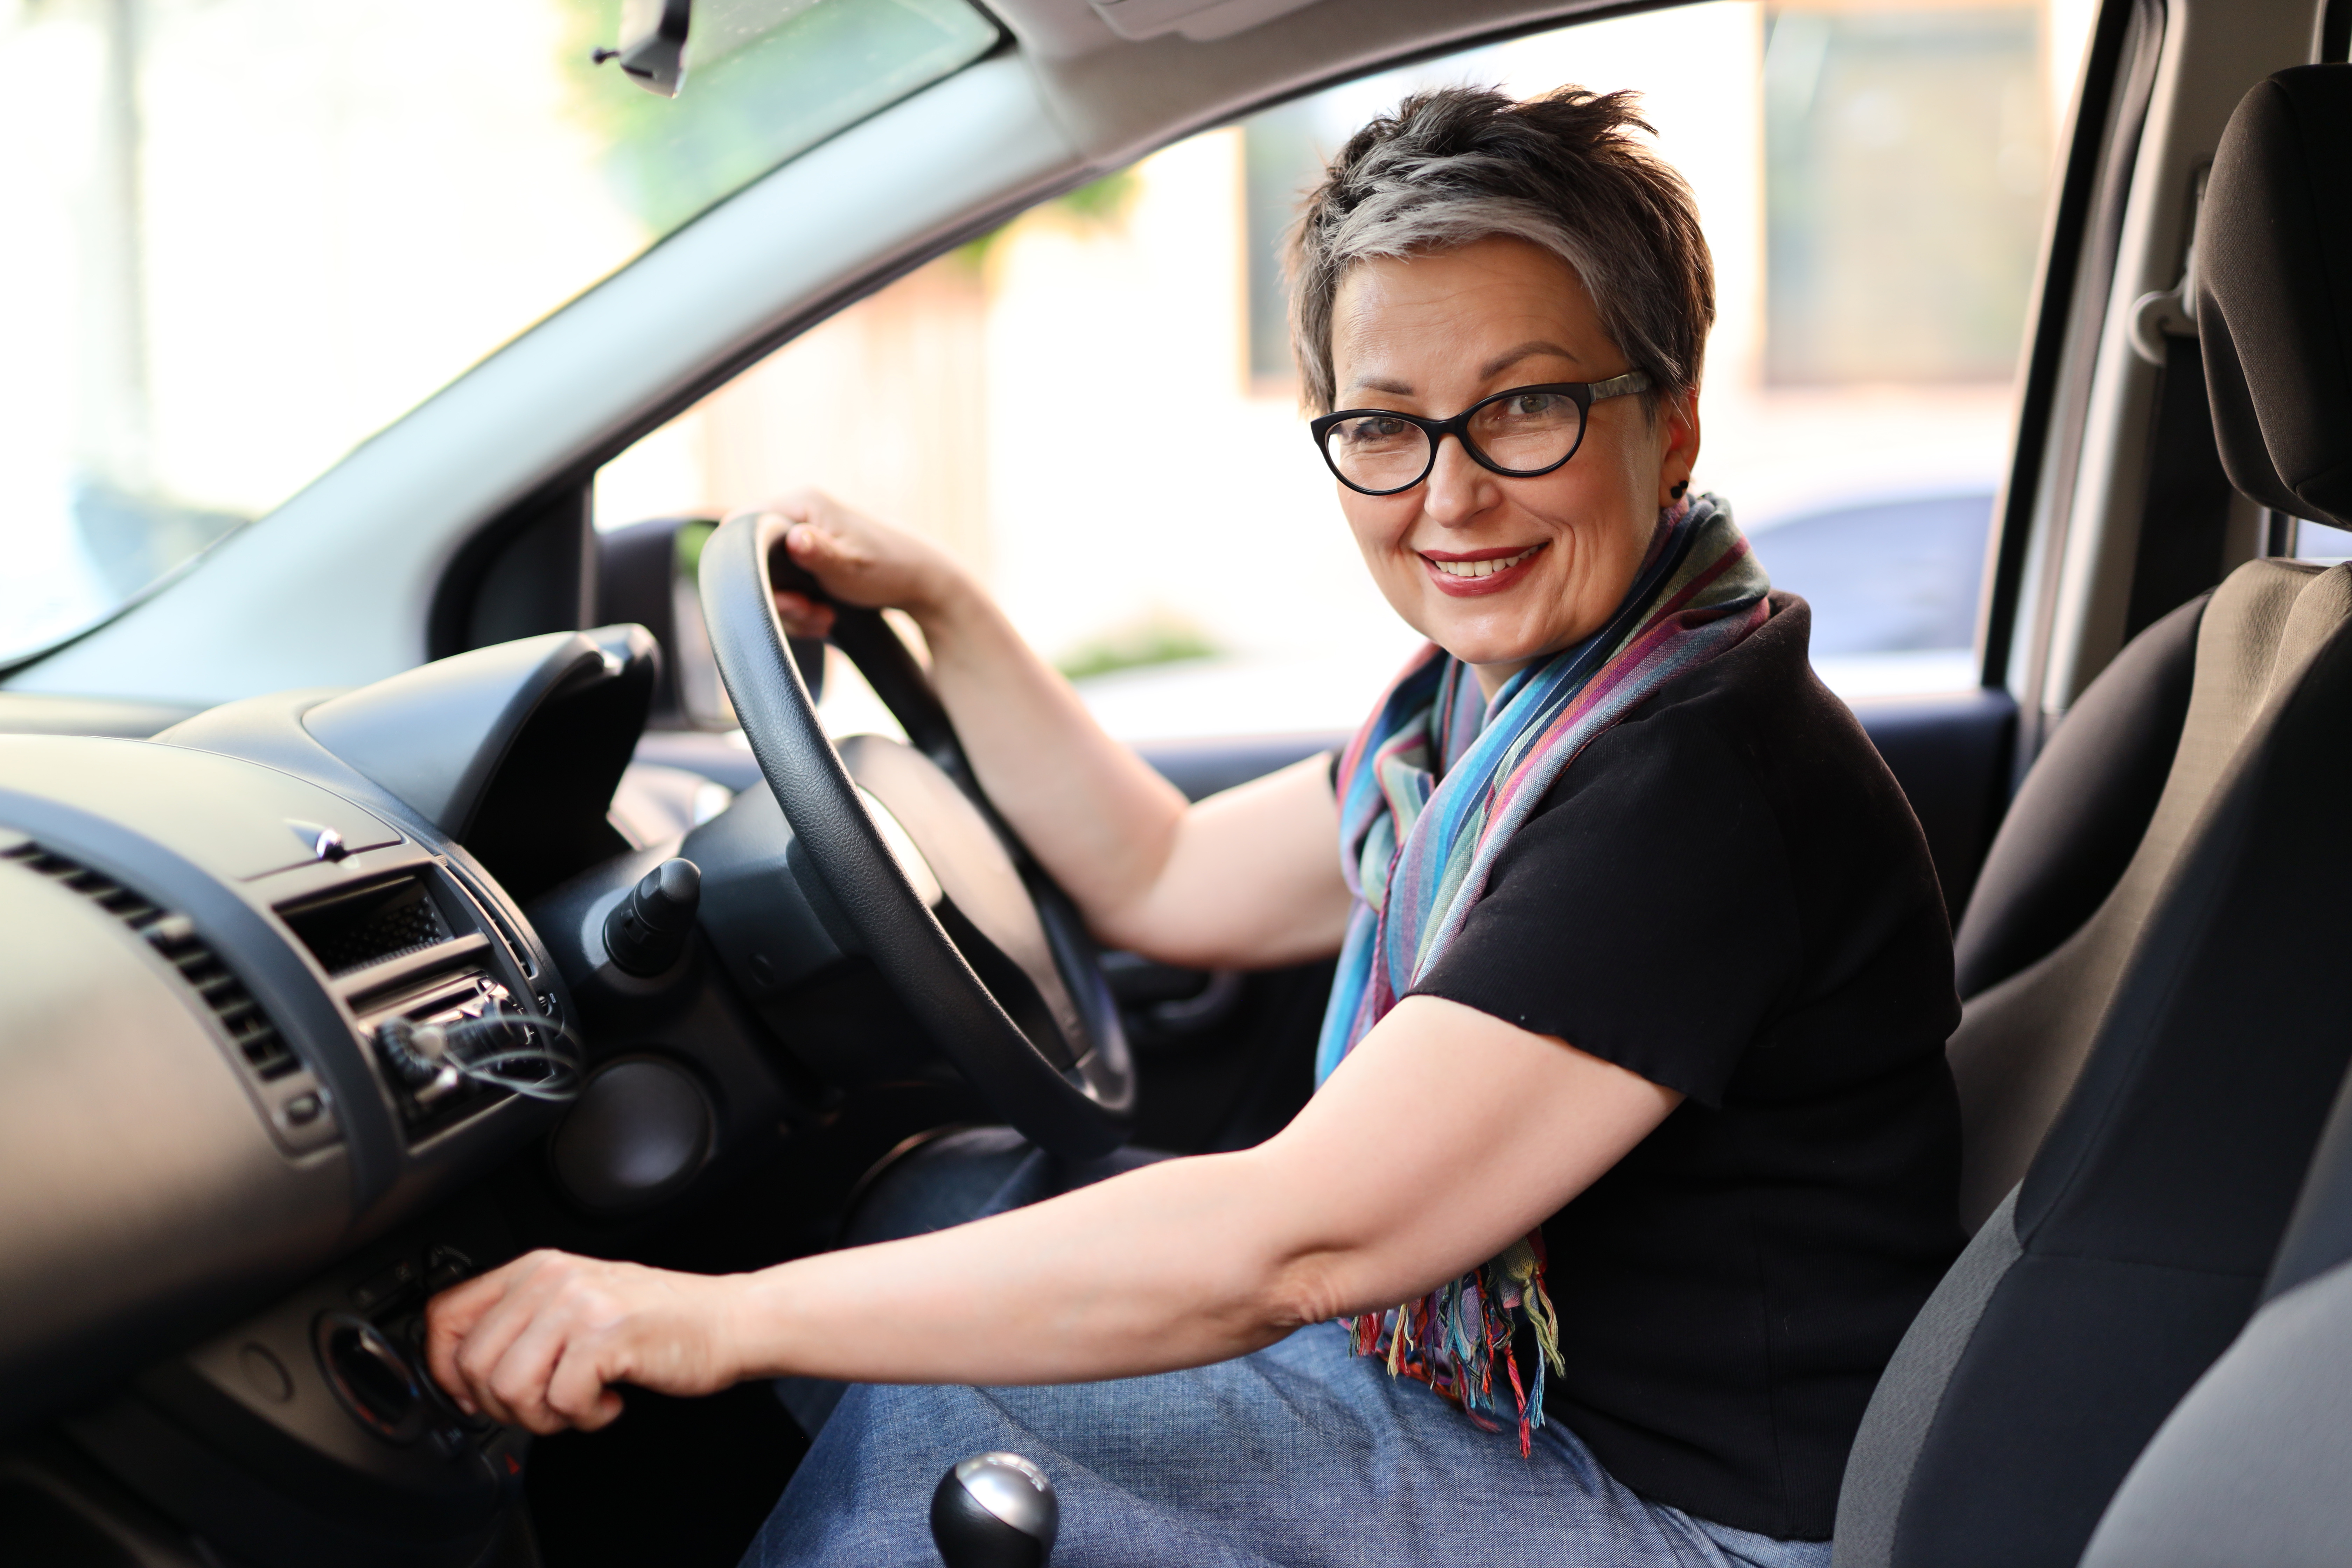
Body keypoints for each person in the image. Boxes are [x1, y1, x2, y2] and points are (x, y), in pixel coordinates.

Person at [425, 85, 1963, 1567]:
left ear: (1672, 422)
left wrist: (704, 1315)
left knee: (945, 1433)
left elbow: (1294, 1245)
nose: (1453, 495)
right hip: (1532, 1420)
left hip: (1689, 1523)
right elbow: (1168, 875)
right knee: (930, 1197)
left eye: (1529, 409)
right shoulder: (1507, 711)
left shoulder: (1689, 780)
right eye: (1387, 426)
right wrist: (945, 608)